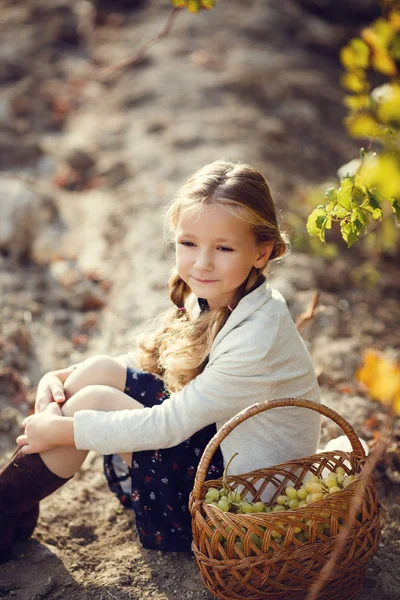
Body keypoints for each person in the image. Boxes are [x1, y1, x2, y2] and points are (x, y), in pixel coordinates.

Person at [0, 160, 321, 561]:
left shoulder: (258, 335)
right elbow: (147, 366)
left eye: (223, 248)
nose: (202, 262)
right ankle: (13, 506)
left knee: (88, 404)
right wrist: (59, 375)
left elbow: (169, 425)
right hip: (218, 442)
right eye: (189, 244)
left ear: (262, 252)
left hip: (240, 499)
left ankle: (8, 506)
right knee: (97, 372)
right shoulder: (219, 292)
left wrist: (62, 431)